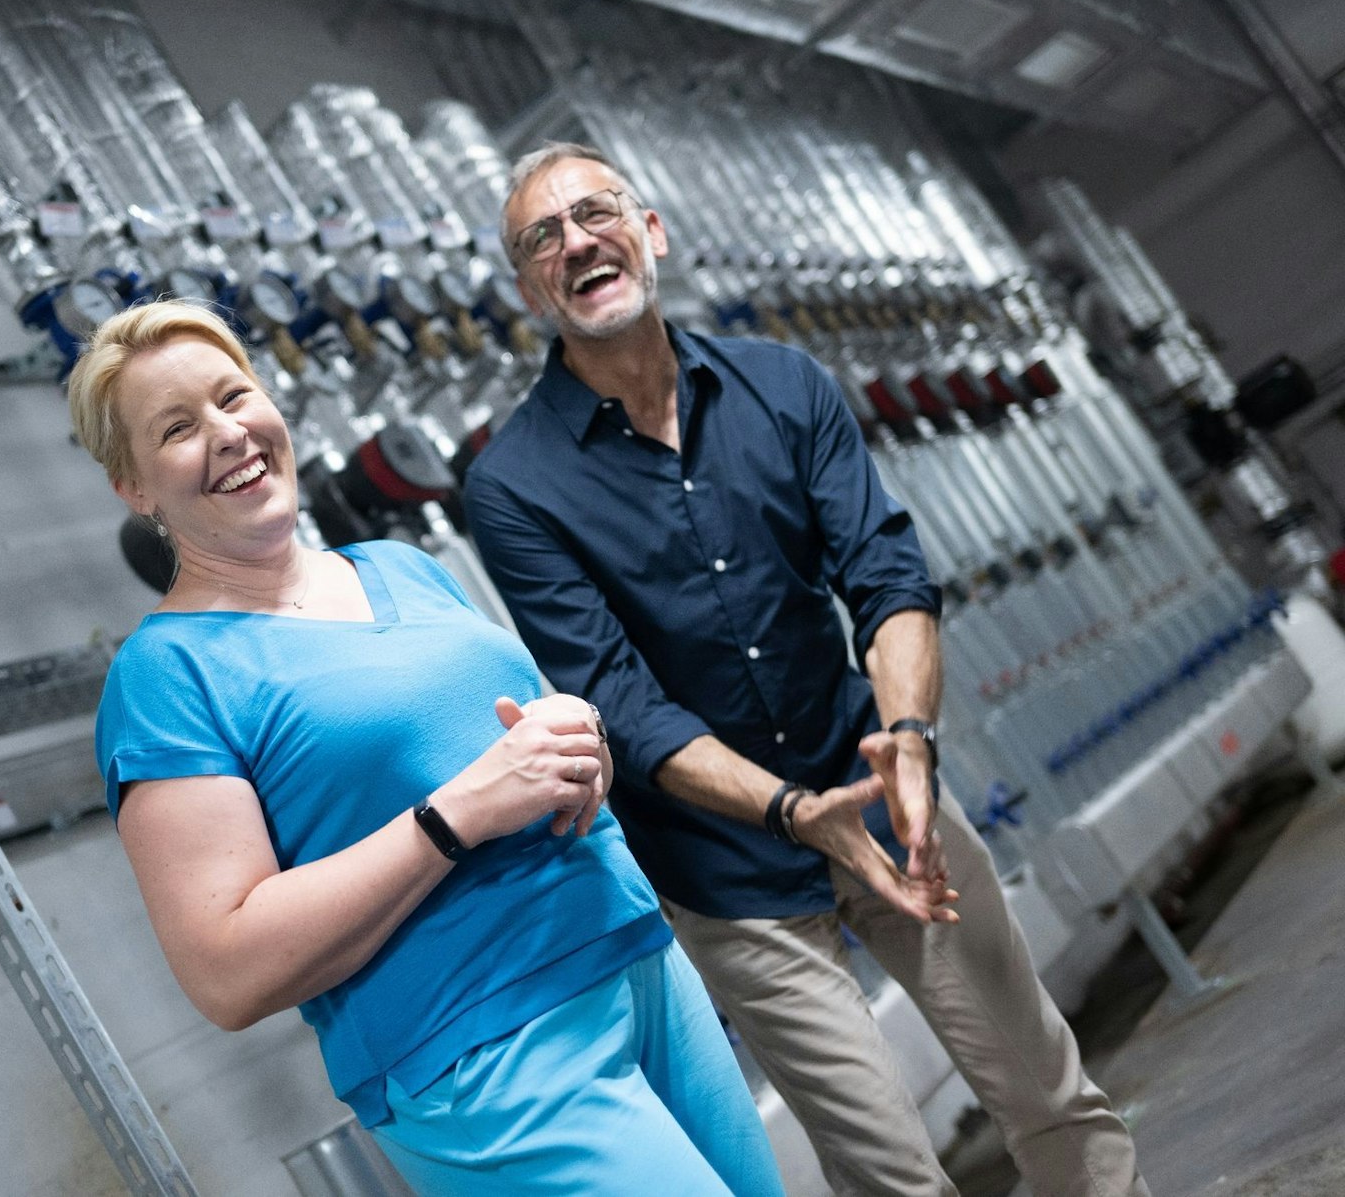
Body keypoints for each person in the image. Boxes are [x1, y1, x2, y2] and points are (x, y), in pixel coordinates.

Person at [462, 143, 1149, 1197]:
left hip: (884, 794)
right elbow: (619, 703)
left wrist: (909, 741)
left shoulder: (780, 383)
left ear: (649, 231)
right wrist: (788, 810)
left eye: (595, 212)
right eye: (540, 237)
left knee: (1050, 1098)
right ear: (527, 289)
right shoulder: (514, 483)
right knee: (889, 1178)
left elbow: (884, 572)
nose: (575, 241)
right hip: (726, 865)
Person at [71, 299, 784, 1196]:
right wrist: (455, 816)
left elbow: (506, 742)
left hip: (636, 957)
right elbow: (227, 968)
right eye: (178, 427)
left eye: (233, 395)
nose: (227, 433)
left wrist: (579, 746)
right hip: (483, 1050)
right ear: (134, 487)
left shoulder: (399, 566)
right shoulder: (167, 675)